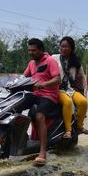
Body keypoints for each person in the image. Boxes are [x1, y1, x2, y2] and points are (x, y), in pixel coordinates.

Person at [22, 38, 61, 166]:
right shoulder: (31, 63)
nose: (30, 53)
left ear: (41, 50)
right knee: (14, 107)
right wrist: (12, 81)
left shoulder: (50, 61)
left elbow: (57, 79)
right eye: (29, 50)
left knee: (39, 116)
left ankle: (42, 152)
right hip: (34, 94)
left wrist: (43, 84)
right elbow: (24, 77)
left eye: (33, 50)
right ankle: (17, 139)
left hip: (49, 95)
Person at [53, 36, 88, 139]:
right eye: (62, 46)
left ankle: (79, 126)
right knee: (67, 102)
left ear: (71, 48)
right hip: (57, 89)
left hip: (70, 89)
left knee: (83, 102)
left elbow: (81, 79)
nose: (63, 49)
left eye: (66, 47)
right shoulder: (53, 58)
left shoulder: (76, 62)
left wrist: (82, 92)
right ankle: (68, 130)